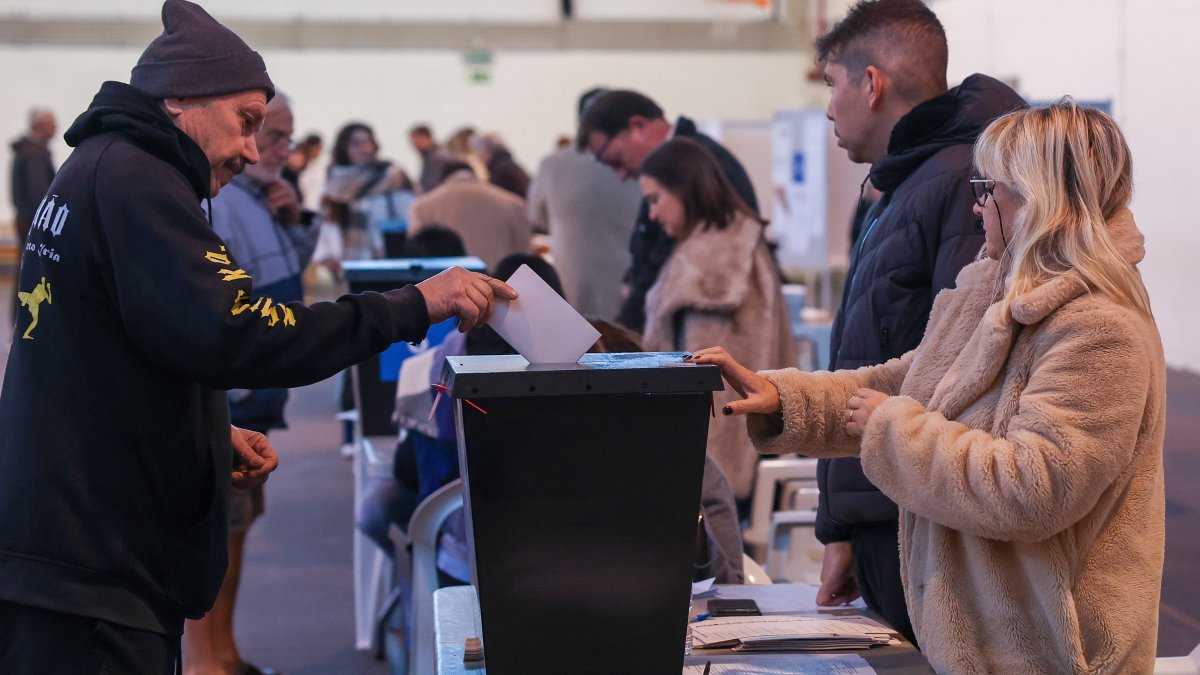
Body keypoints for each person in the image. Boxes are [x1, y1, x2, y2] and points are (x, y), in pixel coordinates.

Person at [0, 2, 516, 672]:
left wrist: (203, 429)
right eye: (246, 123)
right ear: (180, 97)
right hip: (91, 563)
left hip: (73, 541)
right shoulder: (138, 181)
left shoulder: (105, 169)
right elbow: (242, 331)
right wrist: (415, 304)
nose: (252, 149)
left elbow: (129, 348)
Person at [693, 101, 1165, 674]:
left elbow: (1036, 488)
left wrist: (892, 431)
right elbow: (912, 380)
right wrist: (790, 400)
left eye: (990, 188)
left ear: (1040, 200)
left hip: (1057, 653)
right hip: (986, 642)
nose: (977, 205)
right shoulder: (991, 287)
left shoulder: (1099, 327)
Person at [800, 0, 1026, 642]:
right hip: (887, 505)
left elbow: (962, 372)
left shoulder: (957, 185)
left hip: (919, 518)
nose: (827, 107)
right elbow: (874, 353)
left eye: (831, 84)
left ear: (870, 84)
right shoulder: (908, 186)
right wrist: (841, 524)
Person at [185, 91, 314, 675]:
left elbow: (286, 277)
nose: (276, 150)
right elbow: (230, 311)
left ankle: (225, 652)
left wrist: (294, 219)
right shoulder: (224, 201)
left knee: (240, 528)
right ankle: (210, 660)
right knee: (221, 533)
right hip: (232, 398)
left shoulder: (261, 198)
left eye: (285, 138)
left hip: (255, 395)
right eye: (268, 133)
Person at [637, 138, 795, 502]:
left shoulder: (711, 264)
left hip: (715, 469)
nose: (652, 215)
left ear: (684, 188)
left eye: (655, 199)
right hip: (752, 452)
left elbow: (711, 394)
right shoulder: (736, 248)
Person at [578, 89, 758, 333]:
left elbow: (665, 256)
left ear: (638, 126)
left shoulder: (696, 163)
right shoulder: (675, 163)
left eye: (618, 159)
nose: (620, 175)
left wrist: (624, 334)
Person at [527, 88, 641, 320]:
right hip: (628, 288)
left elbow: (535, 217)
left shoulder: (552, 164)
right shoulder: (638, 163)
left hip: (572, 288)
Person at [408, 161, 533, 270]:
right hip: (503, 285)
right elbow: (525, 250)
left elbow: (417, 257)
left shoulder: (423, 206)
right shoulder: (513, 203)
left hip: (449, 288)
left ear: (441, 180)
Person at [322, 121, 415, 260]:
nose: (363, 148)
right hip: (346, 259)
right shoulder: (333, 180)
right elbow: (327, 224)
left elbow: (408, 215)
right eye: (355, 143)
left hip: (385, 257)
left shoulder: (390, 175)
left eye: (367, 142)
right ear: (343, 147)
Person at [8, 107, 57, 322]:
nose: (56, 128)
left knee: (26, 269)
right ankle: (25, 319)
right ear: (40, 125)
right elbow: (39, 194)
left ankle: (20, 318)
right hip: (33, 222)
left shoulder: (28, 151)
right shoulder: (34, 154)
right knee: (32, 270)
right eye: (52, 123)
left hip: (26, 219)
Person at [471, 132, 530, 198]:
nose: (477, 156)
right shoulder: (508, 166)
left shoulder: (500, 171)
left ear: (487, 151)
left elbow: (496, 200)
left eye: (478, 151)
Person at [409, 123, 451, 194]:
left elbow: (430, 186)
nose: (414, 146)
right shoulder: (431, 156)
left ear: (425, 137)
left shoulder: (437, 158)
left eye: (416, 141)